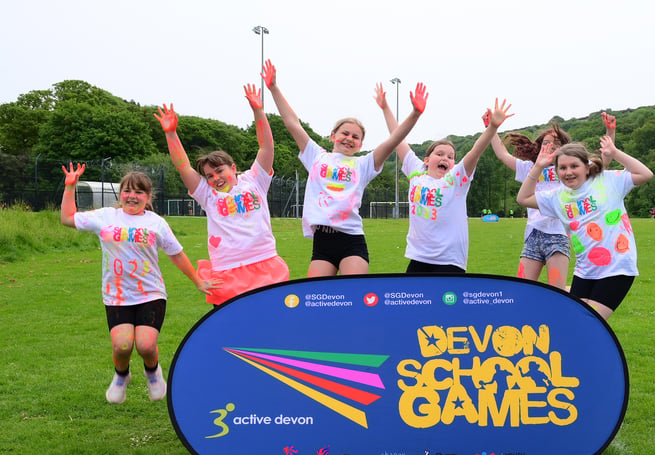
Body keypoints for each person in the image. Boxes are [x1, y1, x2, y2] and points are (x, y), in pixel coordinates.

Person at [60, 163, 218, 403]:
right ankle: (121, 375)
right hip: (117, 295)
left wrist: (197, 280)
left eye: (139, 192)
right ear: (120, 194)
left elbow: (176, 254)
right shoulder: (105, 216)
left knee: (145, 345)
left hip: (150, 294)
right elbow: (67, 218)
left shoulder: (156, 223)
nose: (132, 196)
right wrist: (70, 187)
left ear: (148, 197)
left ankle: (153, 372)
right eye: (127, 191)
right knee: (122, 346)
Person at [262, 59, 426, 277]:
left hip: (352, 240)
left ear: (360, 144)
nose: (349, 138)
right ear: (333, 136)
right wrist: (273, 88)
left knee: (354, 298)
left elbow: (394, 140)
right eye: (345, 133)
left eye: (355, 137)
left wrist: (415, 113)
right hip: (323, 241)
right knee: (317, 299)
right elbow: (293, 123)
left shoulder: (363, 164)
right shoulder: (316, 156)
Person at [154, 83, 289, 306]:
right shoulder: (208, 195)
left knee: (268, 325)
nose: (215, 178)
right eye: (209, 175)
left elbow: (266, 147)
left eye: (219, 171)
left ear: (233, 167)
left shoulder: (254, 181)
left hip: (264, 263)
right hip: (227, 270)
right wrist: (171, 134)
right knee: (230, 328)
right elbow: (184, 167)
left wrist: (258, 111)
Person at [375, 84, 514, 273]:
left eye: (450, 156)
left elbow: (475, 152)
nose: (445, 158)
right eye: (439, 154)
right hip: (418, 259)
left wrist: (492, 128)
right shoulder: (416, 172)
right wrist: (385, 107)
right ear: (427, 159)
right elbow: (397, 138)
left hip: (450, 261)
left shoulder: (455, 179)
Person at [516, 135, 653, 321]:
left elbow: (646, 174)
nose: (568, 172)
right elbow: (523, 199)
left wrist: (615, 153)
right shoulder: (557, 197)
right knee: (574, 321)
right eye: (562, 168)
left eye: (574, 166)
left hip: (616, 267)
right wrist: (538, 166)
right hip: (584, 270)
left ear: (587, 167)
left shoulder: (607, 181)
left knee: (590, 323)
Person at [488, 112, 615, 289]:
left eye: (555, 144)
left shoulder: (567, 170)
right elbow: (502, 154)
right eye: (546, 143)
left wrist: (610, 133)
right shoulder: (529, 168)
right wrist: (491, 129)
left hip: (558, 235)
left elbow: (603, 162)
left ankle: (576, 297)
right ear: (539, 147)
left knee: (557, 291)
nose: (549, 146)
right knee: (522, 289)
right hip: (533, 234)